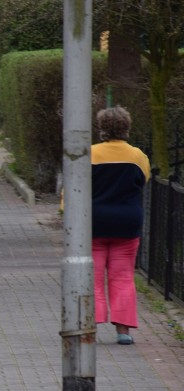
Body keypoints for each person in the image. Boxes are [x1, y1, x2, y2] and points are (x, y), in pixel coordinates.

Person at [91, 106, 151, 345]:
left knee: (92, 277)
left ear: (101, 128)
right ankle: (123, 331)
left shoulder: (89, 154)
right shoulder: (137, 156)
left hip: (93, 222)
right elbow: (143, 181)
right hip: (127, 221)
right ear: (127, 127)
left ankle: (89, 327)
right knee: (123, 275)